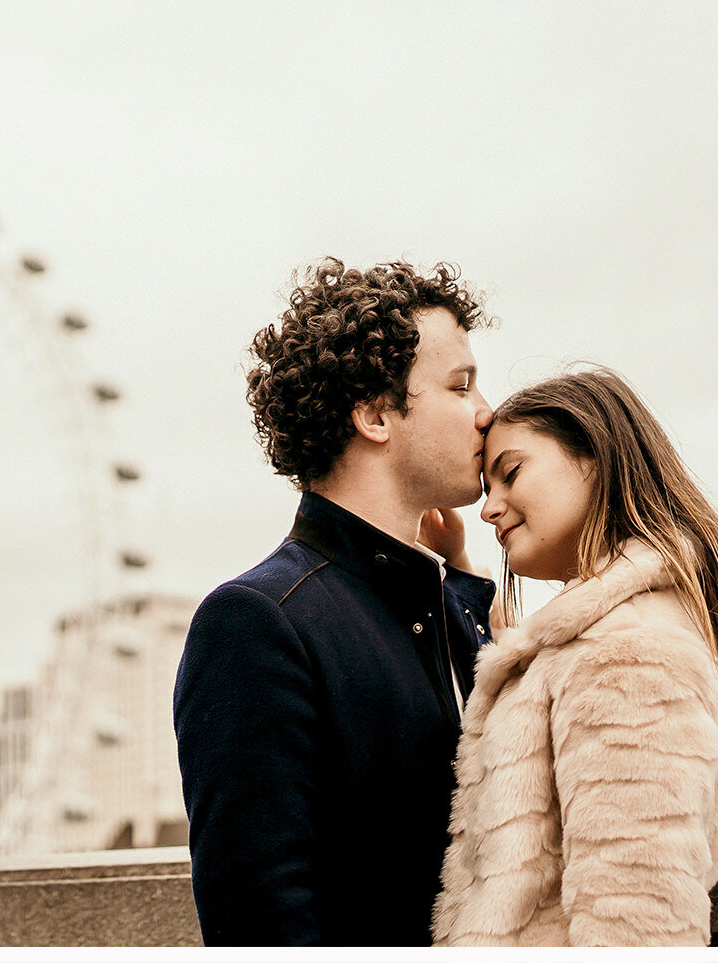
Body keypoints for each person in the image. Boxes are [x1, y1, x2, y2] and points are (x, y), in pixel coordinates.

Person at [173, 258, 496, 945]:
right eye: (460, 385)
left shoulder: (446, 609)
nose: (487, 411)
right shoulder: (256, 624)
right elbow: (261, 927)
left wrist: (462, 583)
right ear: (376, 413)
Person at [434, 368, 718, 946]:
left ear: (595, 456)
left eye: (511, 473)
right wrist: (462, 568)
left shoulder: (629, 657)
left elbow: (636, 919)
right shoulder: (613, 632)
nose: (488, 508)